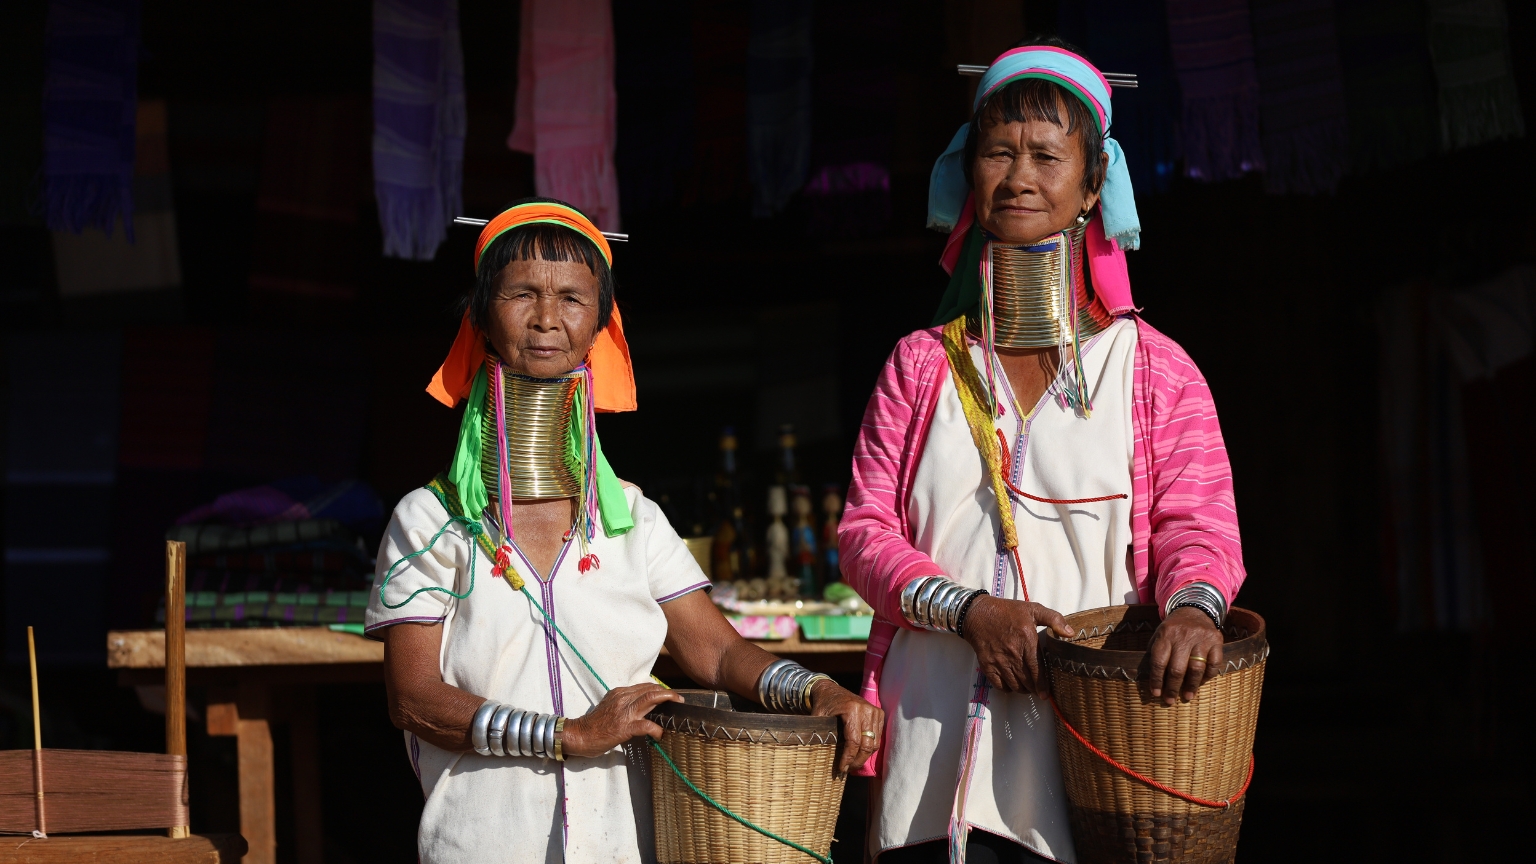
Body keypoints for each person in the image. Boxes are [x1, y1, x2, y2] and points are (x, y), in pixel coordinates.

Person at [366, 199, 883, 863]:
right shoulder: (432, 519)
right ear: (480, 316)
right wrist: (567, 734)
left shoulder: (633, 520)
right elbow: (412, 699)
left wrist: (817, 689)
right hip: (482, 844)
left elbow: (717, 654)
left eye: (572, 298)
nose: (547, 317)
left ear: (601, 329)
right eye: (522, 292)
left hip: (627, 844)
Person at [838, 41, 1245, 864]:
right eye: (999, 152)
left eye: (1047, 157)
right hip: (931, 742)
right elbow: (861, 533)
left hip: (1096, 754)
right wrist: (966, 610)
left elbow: (1198, 524)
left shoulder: (1152, 371)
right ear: (970, 173)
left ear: (1094, 185)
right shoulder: (922, 365)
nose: (1020, 176)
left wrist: (1196, 608)